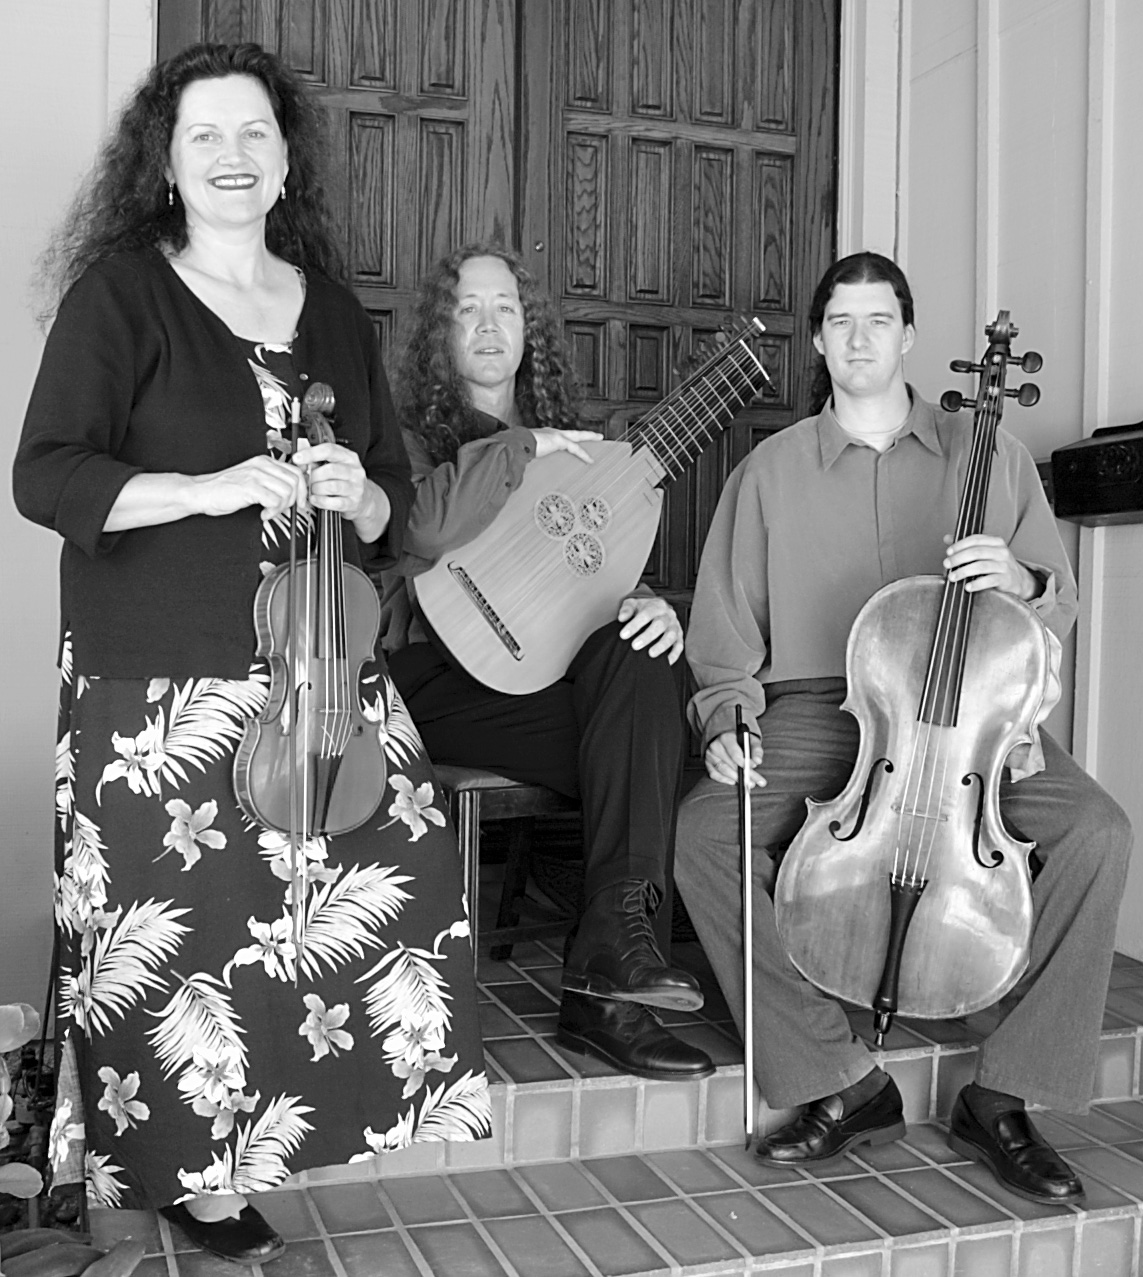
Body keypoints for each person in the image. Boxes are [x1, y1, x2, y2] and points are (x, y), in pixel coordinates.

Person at [13, 43, 489, 1266]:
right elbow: (48, 475)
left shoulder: (330, 307)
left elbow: (391, 486)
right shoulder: (123, 296)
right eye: (205, 136)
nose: (232, 155)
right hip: (157, 678)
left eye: (255, 135)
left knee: (374, 903)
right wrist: (208, 487)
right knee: (180, 939)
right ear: (165, 165)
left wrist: (367, 499)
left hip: (323, 670)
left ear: (287, 160)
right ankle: (189, 1178)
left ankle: (267, 1140)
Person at [675, 251, 1133, 1206]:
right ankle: (839, 1078)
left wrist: (1020, 583)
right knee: (703, 833)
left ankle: (1004, 1093)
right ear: (816, 339)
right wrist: (728, 715)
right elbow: (723, 632)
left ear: (909, 335)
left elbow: (1057, 601)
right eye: (839, 320)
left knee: (1096, 833)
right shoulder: (769, 471)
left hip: (974, 714)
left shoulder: (990, 454)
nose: (857, 337)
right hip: (820, 707)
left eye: (877, 319)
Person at [378, 242, 715, 1084]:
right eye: (468, 308)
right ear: (439, 332)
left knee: (646, 662)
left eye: (506, 308)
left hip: (538, 679)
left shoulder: (579, 456)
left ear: (530, 330)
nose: (489, 324)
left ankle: (611, 960)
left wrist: (644, 605)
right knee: (649, 742)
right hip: (433, 680)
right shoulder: (407, 437)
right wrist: (525, 445)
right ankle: (604, 990)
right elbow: (419, 528)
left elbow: (581, 581)